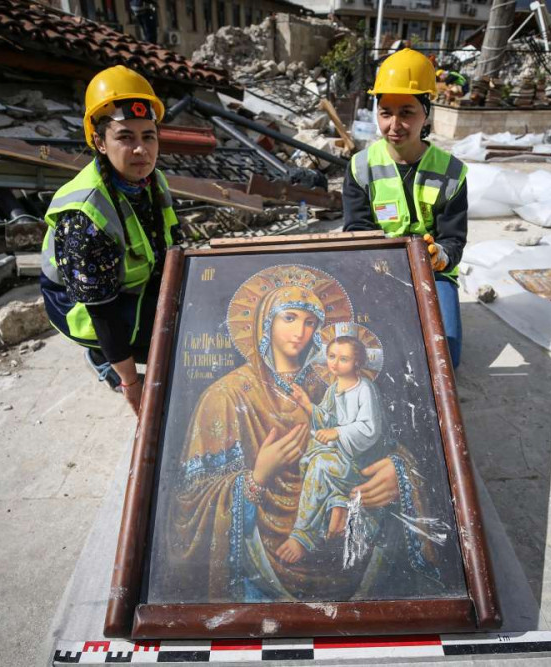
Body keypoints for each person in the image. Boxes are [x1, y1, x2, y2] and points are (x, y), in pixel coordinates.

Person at [160, 265, 446, 603]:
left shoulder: (336, 384)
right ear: (265, 322)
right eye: (290, 318)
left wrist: (396, 471)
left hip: (351, 553)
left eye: (311, 323)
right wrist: (255, 478)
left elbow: (384, 443)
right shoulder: (226, 397)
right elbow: (187, 505)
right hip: (263, 567)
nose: (301, 331)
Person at [39, 65, 179, 414]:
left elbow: (171, 243)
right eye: (125, 137)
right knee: (175, 341)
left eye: (148, 136)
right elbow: (101, 310)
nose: (140, 150)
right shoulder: (85, 215)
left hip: (129, 286)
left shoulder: (152, 182)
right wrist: (131, 383)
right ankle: (103, 357)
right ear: (100, 142)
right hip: (84, 306)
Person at [343, 49, 468, 367]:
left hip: (433, 273)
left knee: (445, 361)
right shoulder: (361, 167)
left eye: (407, 112)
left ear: (426, 113)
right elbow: (356, 231)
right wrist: (380, 268)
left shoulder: (451, 172)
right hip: (379, 268)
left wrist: (440, 256)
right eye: (385, 112)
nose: (394, 124)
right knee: (370, 354)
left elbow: (454, 238)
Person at [277, 332, 386, 564]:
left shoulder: (364, 389)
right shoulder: (333, 388)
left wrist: (338, 432)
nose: (335, 363)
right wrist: (307, 405)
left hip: (359, 462)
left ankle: (303, 535)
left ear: (357, 362)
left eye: (343, 359)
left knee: (319, 464)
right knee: (306, 445)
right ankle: (333, 505)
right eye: (331, 356)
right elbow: (327, 420)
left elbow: (370, 429)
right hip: (341, 453)